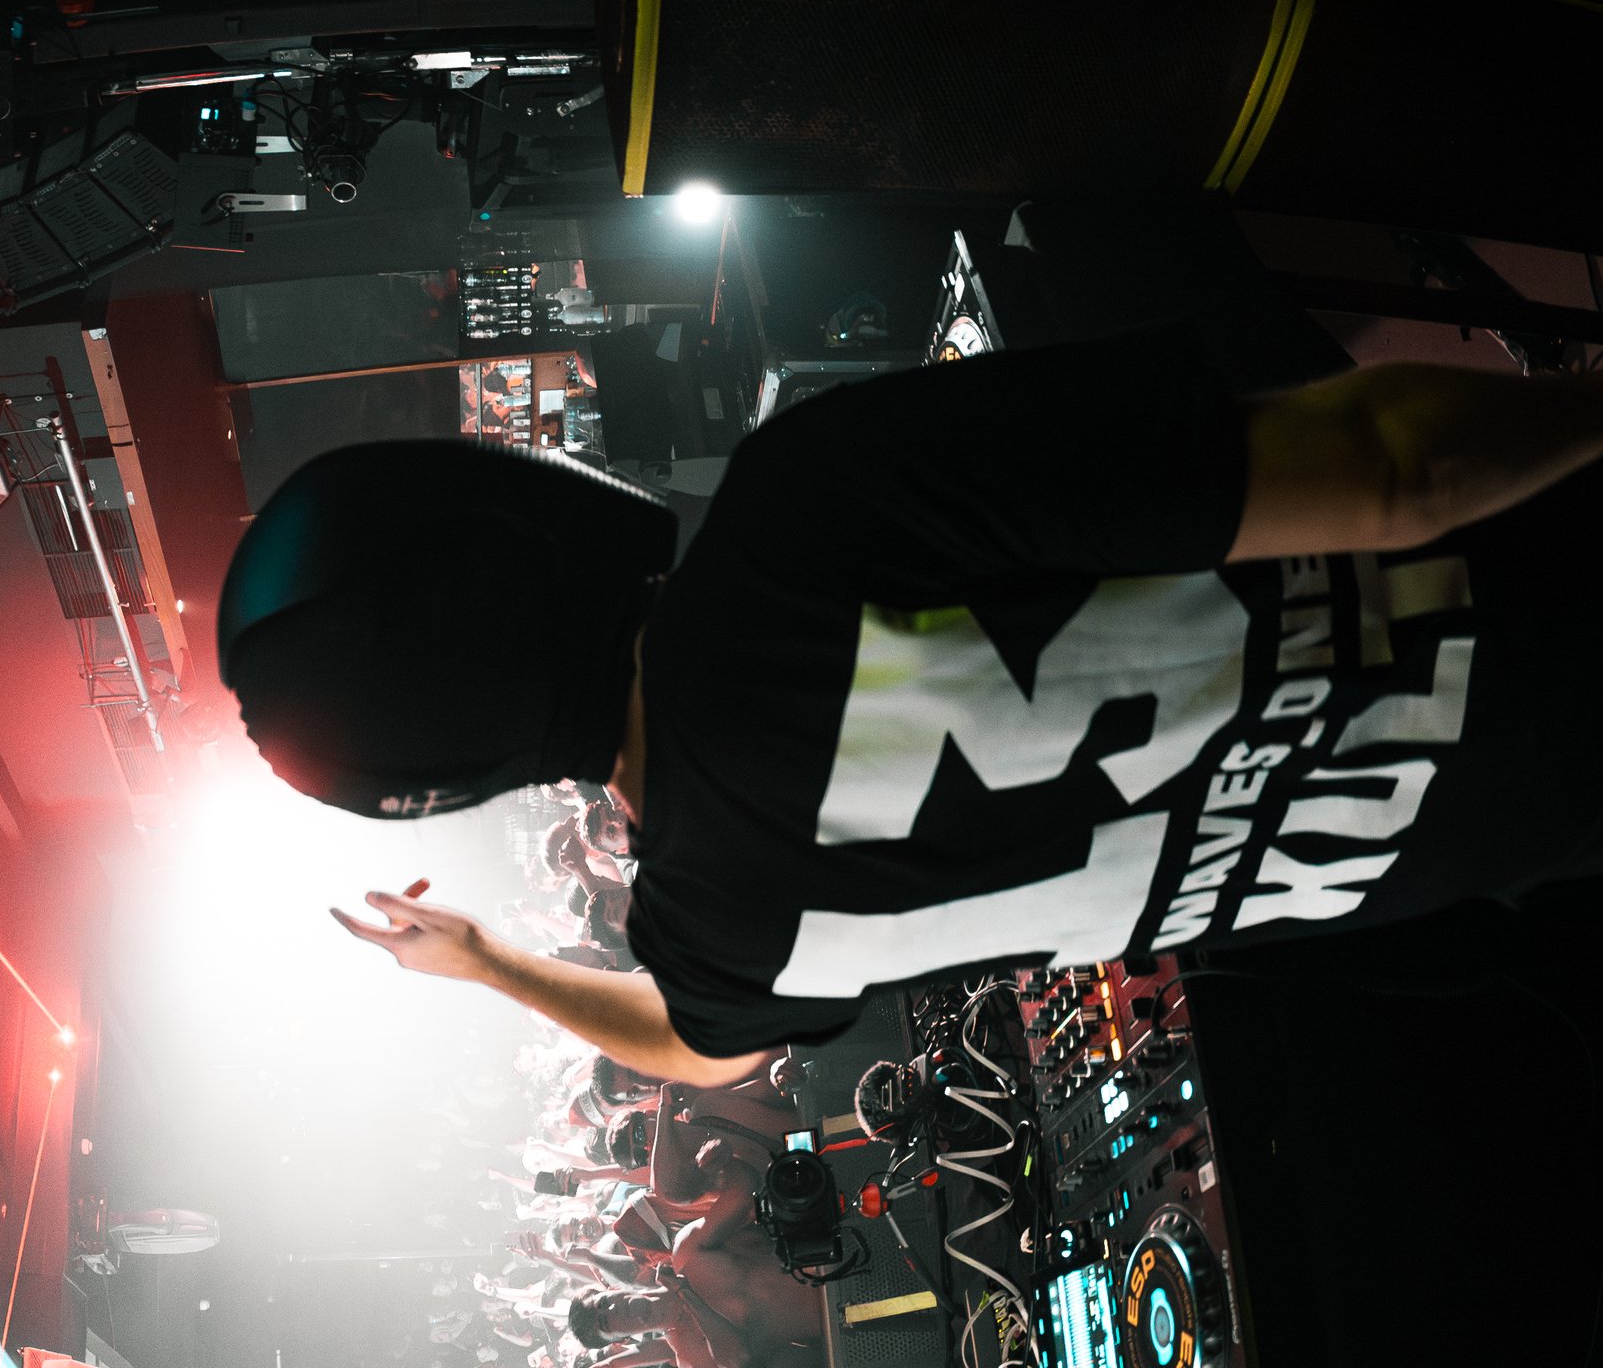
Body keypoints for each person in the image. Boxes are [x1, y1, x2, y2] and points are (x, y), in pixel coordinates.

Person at [214, 343, 1603, 1080]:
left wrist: (489, 965)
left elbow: (689, 1050)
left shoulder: (714, 929)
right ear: (490, 524)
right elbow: (1391, 468)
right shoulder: (797, 517)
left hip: (1538, 819)